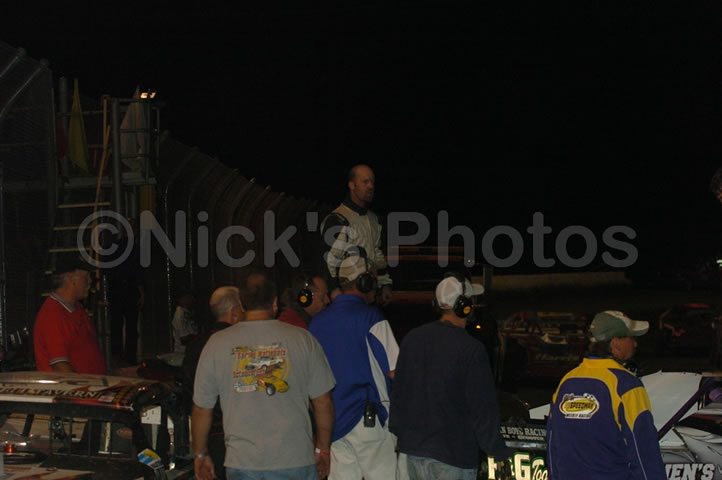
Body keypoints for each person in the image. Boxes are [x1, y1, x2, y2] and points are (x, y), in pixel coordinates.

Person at [192, 270, 336, 480]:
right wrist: (323, 449)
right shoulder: (303, 339)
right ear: (275, 303)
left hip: (243, 463)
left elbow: (202, 408)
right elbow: (323, 402)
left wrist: (200, 454)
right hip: (295, 460)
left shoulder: (216, 344)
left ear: (242, 304)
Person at [389, 272, 512, 480]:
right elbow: (482, 409)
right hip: (453, 456)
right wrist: (497, 450)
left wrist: (402, 436)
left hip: (413, 453)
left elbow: (400, 394)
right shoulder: (471, 350)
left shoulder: (413, 339)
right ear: (464, 305)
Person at [308, 255, 399, 480]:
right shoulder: (372, 317)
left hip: (333, 423)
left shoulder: (316, 324)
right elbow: (395, 371)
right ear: (364, 283)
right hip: (369, 419)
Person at [546, 310, 666, 479]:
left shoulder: (567, 381)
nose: (635, 344)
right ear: (615, 343)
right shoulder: (626, 384)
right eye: (631, 338)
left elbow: (552, 442)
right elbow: (643, 450)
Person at [181, 286, 244, 480]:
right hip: (238, 436)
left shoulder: (196, 346)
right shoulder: (243, 346)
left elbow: (191, 396)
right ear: (234, 313)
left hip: (208, 436)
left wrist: (199, 451)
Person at [321, 164, 392, 305]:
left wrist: (384, 284)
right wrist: (335, 290)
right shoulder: (338, 219)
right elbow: (330, 260)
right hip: (348, 295)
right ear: (352, 185)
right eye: (365, 182)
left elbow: (377, 254)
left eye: (372, 182)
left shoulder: (373, 219)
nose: (370, 186)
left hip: (369, 293)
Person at [33, 255, 106, 374]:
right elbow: (60, 366)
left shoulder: (75, 309)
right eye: (86, 276)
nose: (90, 281)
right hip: (73, 386)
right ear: (71, 278)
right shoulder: (53, 315)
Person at [104, 217, 145, 366]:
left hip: (116, 288)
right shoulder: (135, 248)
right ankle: (130, 358)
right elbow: (137, 272)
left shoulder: (112, 247)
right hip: (129, 289)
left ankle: (117, 356)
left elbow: (105, 268)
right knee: (131, 326)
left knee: (116, 324)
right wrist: (141, 293)